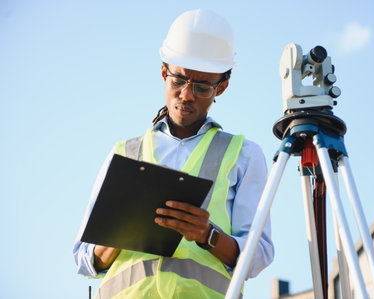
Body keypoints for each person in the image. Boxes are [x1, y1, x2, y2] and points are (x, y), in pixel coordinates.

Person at [73, 8, 274, 299]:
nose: (187, 94)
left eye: (202, 87)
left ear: (222, 87)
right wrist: (122, 232)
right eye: (178, 80)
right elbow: (83, 258)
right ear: (163, 72)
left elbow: (258, 256)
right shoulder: (124, 154)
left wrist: (207, 235)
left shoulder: (243, 154)